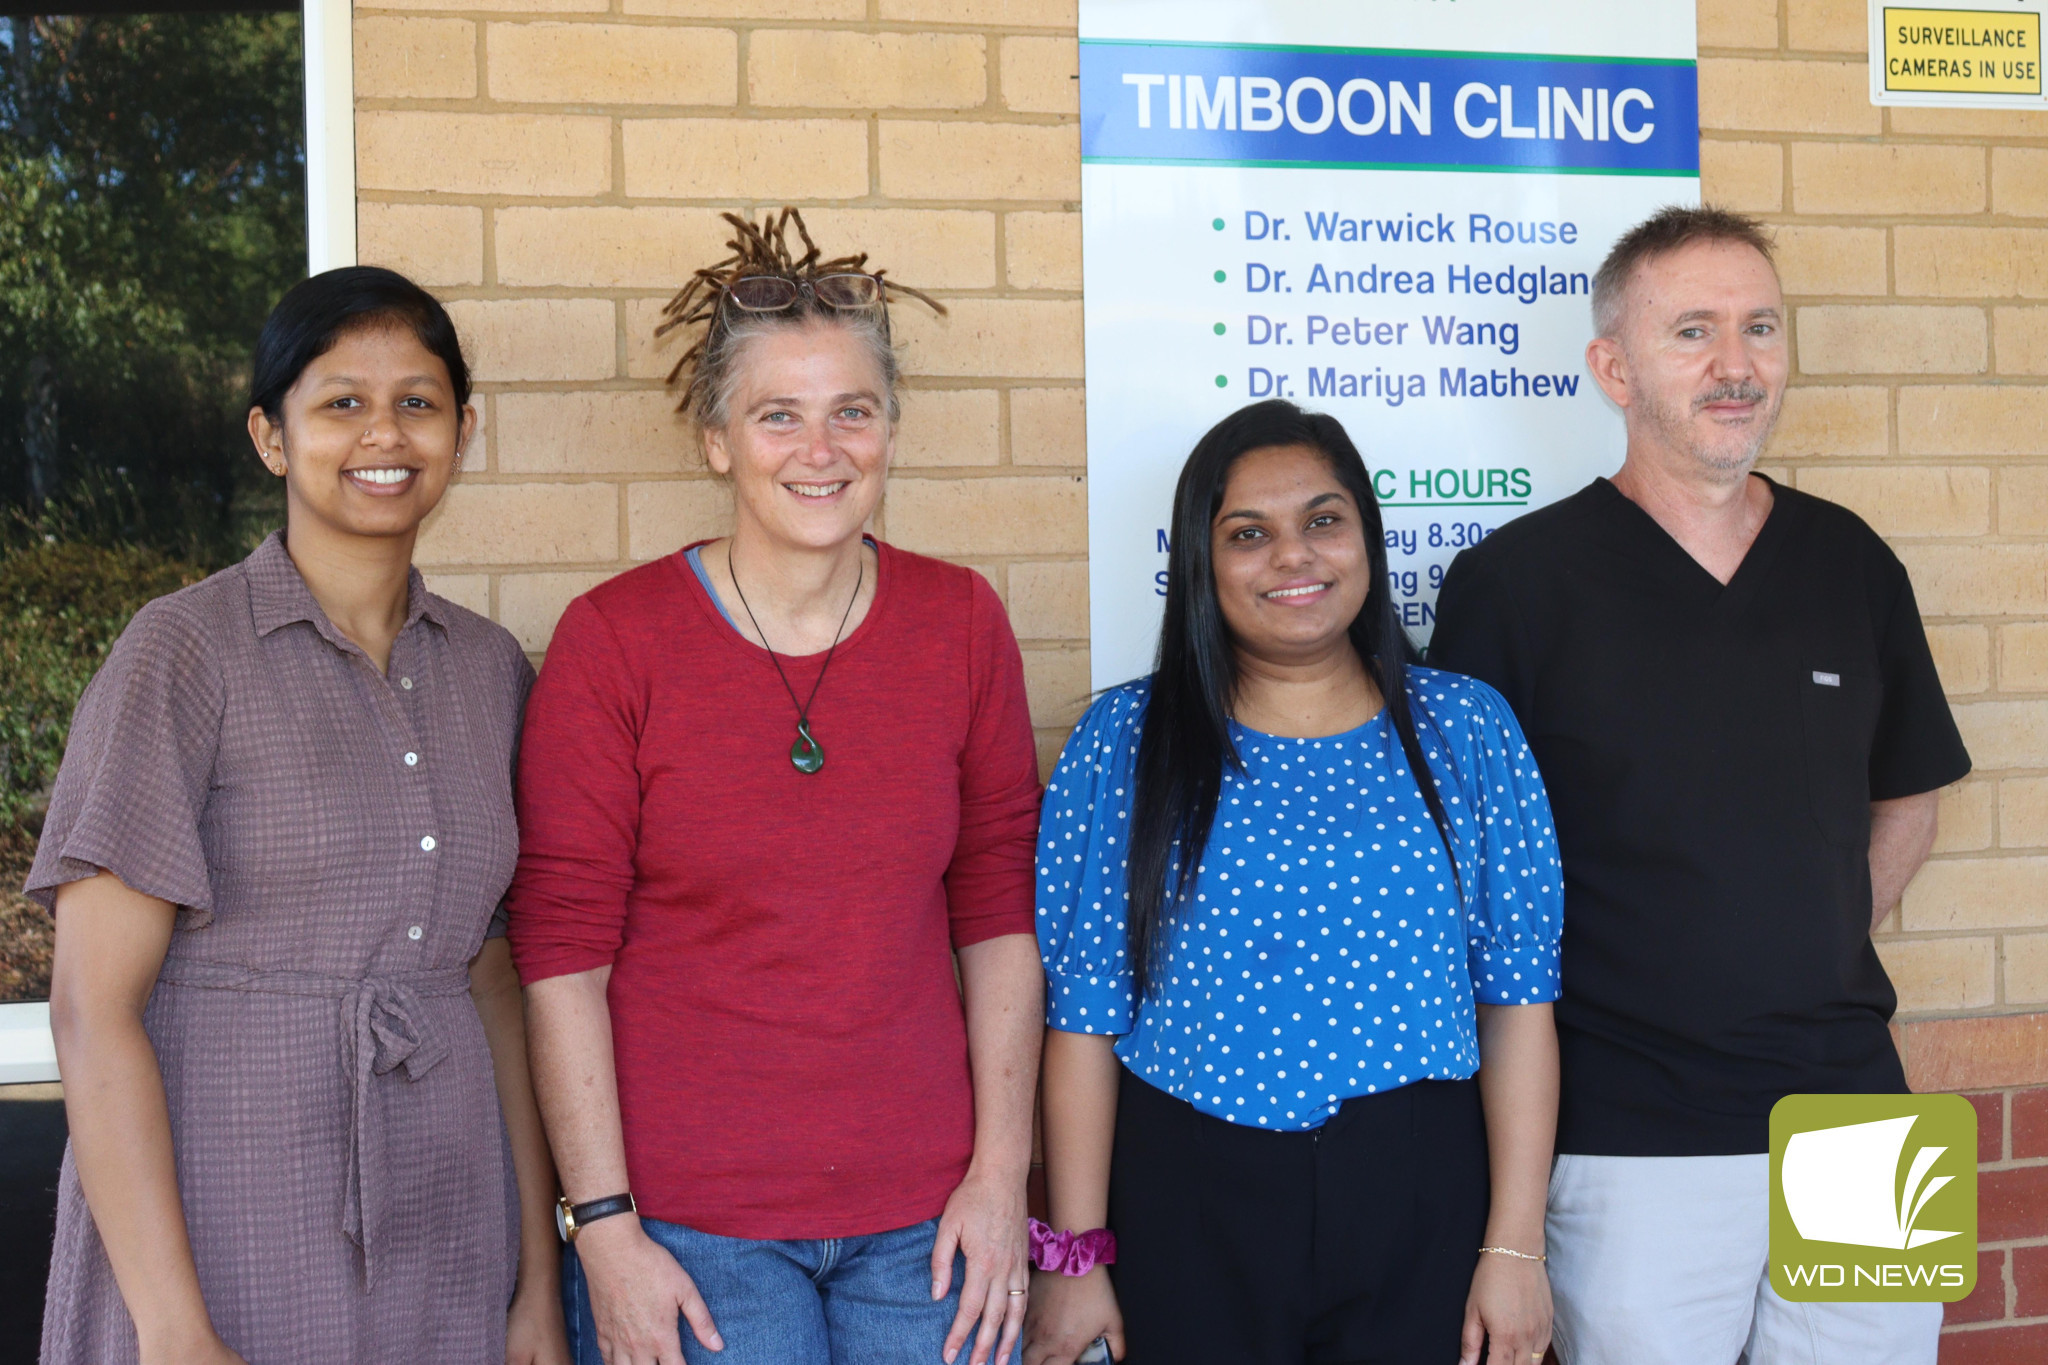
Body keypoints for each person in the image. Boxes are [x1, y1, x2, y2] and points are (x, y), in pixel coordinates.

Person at [1430, 206, 1972, 1365]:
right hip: (1627, 1130)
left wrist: (1803, 935)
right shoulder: (1513, 588)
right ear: (1611, 368)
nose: (1735, 365)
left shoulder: (1850, 562)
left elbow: (1908, 792)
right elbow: (1461, 866)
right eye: (1691, 331)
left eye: (1758, 328)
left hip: (1859, 1116)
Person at [508, 209, 1045, 1365]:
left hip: (929, 1224)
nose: (821, 448)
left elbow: (997, 911)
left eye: (852, 410)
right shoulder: (615, 642)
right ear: (715, 440)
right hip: (692, 1234)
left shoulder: (959, 623)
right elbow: (561, 954)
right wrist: (601, 1229)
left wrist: (1003, 1178)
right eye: (777, 415)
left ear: (891, 429)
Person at [30, 267, 569, 1364]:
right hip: (222, 1202)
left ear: (463, 432)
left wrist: (535, 1282)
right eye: (340, 402)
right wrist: (174, 1331)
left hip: (447, 1208)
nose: (385, 433)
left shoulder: (489, 671)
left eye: (418, 402)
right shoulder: (182, 654)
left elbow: (492, 984)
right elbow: (93, 1009)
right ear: (272, 438)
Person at [1025, 399, 1564, 1365]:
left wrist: (1514, 1244)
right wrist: (1074, 1256)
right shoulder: (1126, 744)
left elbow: (1518, 1003)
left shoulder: (1467, 732)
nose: (1293, 556)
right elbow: (1083, 1016)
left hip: (1419, 1190)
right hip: (1190, 1191)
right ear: (1201, 561)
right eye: (1248, 534)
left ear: (1366, 533)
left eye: (1323, 520)